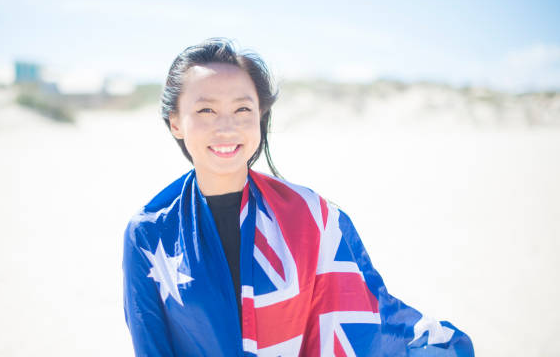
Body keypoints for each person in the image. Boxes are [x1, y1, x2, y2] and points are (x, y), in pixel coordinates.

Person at [122, 38, 474, 356]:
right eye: (206, 110)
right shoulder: (150, 232)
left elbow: (367, 317)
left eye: (242, 109)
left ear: (261, 115)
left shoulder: (309, 215)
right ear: (175, 123)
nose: (226, 125)